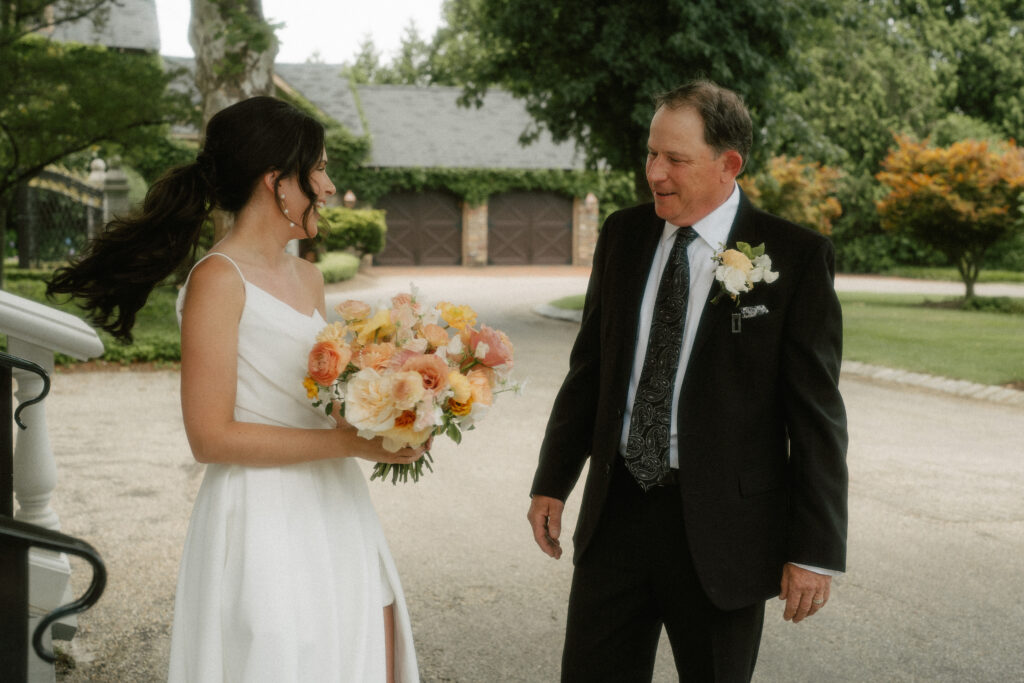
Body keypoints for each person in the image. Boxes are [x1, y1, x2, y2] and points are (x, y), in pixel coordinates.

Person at [47, 96, 421, 682]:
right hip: (262, 518)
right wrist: (351, 444)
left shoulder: (310, 276)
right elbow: (210, 437)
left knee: (372, 651)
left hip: (336, 504)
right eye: (317, 169)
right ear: (278, 183)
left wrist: (398, 413)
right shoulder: (218, 281)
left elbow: (323, 406)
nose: (326, 186)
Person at [527, 80, 848, 682]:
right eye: (651, 154)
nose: (654, 172)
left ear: (729, 165)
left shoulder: (796, 258)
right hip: (616, 511)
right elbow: (589, 370)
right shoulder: (623, 235)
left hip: (725, 533)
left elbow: (816, 418)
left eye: (675, 159)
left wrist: (814, 550)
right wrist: (553, 480)